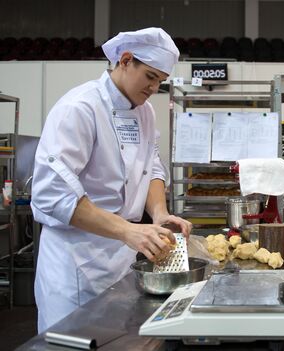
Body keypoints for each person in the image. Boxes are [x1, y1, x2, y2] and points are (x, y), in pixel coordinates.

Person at [31, 28, 192, 332]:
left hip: (121, 259)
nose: (154, 87)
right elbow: (54, 195)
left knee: (121, 338)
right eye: (150, 76)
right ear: (125, 60)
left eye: (160, 81)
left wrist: (159, 214)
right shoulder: (80, 108)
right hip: (77, 262)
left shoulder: (145, 113)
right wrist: (128, 231)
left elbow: (152, 168)